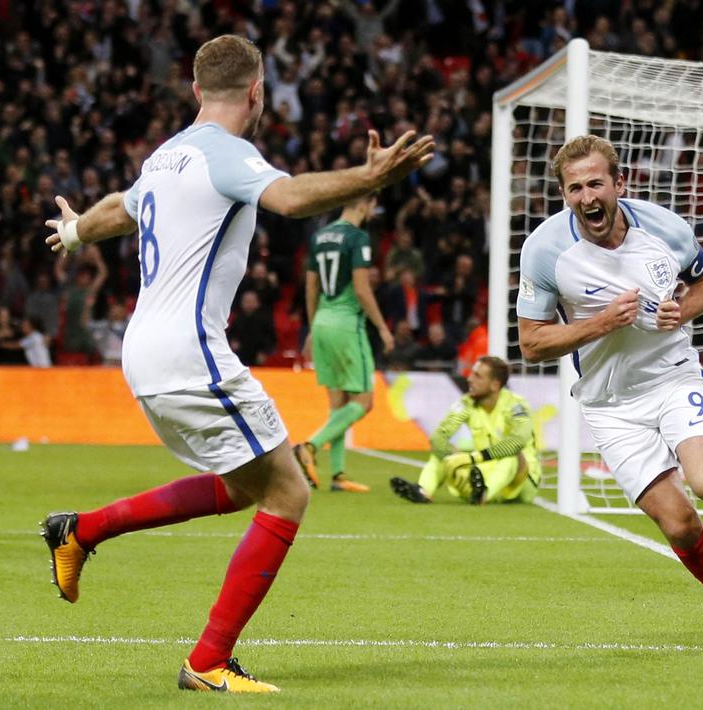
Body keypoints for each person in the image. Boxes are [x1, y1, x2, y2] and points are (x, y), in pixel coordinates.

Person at [38, 35, 433, 694]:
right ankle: (208, 661)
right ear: (257, 92)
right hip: (190, 352)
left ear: (197, 90)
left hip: (145, 351)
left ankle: (82, 530)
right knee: (289, 492)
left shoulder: (165, 157)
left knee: (246, 483)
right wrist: (368, 179)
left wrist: (77, 230)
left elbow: (118, 209)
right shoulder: (228, 154)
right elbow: (291, 198)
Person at [514, 135, 703, 653]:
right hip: (609, 404)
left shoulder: (666, 229)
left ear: (619, 184)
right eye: (575, 188)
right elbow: (532, 343)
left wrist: (680, 312)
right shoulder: (544, 250)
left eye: (596, 184)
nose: (587, 197)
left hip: (673, 377)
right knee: (680, 525)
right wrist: (602, 322)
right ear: (564, 194)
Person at [294, 191, 393, 493]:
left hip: (322, 321)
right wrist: (383, 328)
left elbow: (311, 287)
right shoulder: (357, 238)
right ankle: (310, 446)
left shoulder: (319, 236)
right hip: (347, 324)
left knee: (338, 404)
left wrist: (312, 328)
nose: (374, 211)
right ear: (364, 203)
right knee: (364, 401)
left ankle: (337, 475)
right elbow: (362, 290)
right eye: (373, 205)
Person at [390, 355, 540, 505]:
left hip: (523, 480)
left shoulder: (516, 405)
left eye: (477, 376)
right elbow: (438, 436)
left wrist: (472, 458)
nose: (469, 379)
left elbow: (518, 441)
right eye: (472, 374)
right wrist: (451, 458)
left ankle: (483, 496)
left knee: (512, 456)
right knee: (439, 453)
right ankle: (423, 491)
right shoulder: (467, 403)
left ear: (495, 385)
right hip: (484, 474)